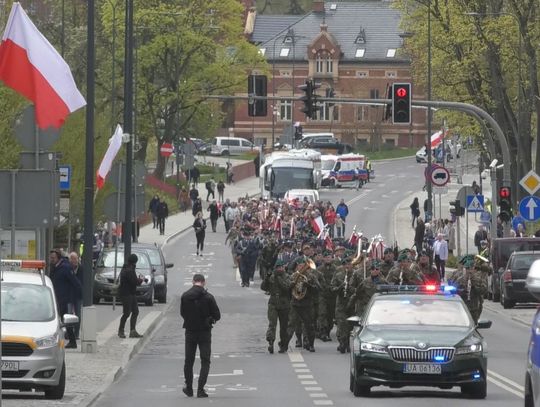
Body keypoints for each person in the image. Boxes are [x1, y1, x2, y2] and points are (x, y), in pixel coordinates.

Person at [180, 274, 221, 398]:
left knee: (189, 361)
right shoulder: (208, 297)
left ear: (193, 282)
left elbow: (182, 313)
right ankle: (200, 389)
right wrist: (210, 319)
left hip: (190, 331)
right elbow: (217, 315)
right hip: (204, 332)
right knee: (205, 361)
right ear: (204, 282)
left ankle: (189, 387)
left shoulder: (185, 296)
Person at [50, 249, 82, 348]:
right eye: (50, 257)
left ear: (58, 258)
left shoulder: (65, 268)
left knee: (66, 319)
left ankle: (72, 341)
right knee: (59, 320)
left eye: (53, 258)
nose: (51, 259)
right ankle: (65, 340)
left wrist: (78, 296)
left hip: (65, 299)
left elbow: (75, 282)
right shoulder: (55, 267)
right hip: (57, 298)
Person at [262, 259, 291, 354]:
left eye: (281, 267)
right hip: (273, 302)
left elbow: (287, 287)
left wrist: (279, 279)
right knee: (272, 324)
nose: (280, 269)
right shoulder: (272, 277)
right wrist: (267, 278)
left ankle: (283, 344)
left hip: (284, 303)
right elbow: (263, 287)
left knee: (284, 326)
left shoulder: (287, 276)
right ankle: (271, 342)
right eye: (278, 267)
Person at [117, 254, 145, 338]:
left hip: (130, 294)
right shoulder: (129, 270)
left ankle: (132, 331)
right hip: (126, 294)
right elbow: (134, 282)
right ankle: (121, 330)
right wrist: (141, 280)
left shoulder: (126, 268)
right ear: (135, 261)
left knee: (135, 311)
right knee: (126, 313)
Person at [68, 252, 83, 339]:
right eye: (73, 259)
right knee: (69, 315)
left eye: (76, 258)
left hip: (78, 295)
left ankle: (76, 333)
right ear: (70, 260)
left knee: (78, 315)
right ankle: (69, 334)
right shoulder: (68, 269)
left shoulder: (81, 269)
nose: (75, 261)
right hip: (69, 294)